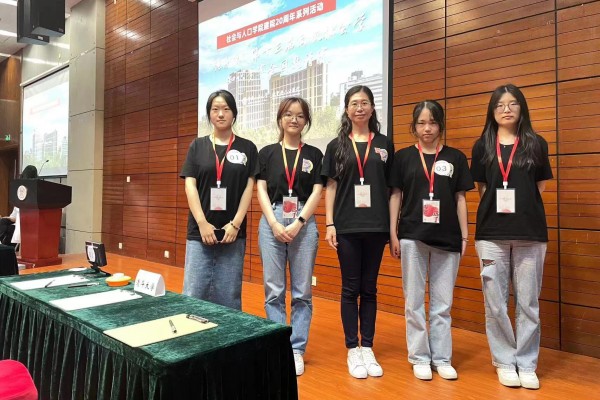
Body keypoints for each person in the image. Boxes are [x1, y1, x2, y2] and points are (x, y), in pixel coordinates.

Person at [470, 84, 552, 390]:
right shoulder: (482, 146)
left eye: (513, 103)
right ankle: (505, 361)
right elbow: (482, 188)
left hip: (530, 233)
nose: (506, 109)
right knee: (496, 303)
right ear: (492, 111)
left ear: (522, 108)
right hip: (491, 234)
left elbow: (539, 186)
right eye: (500, 105)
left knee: (528, 302)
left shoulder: (536, 143)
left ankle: (527, 363)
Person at [389, 100, 474, 381]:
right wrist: (393, 233)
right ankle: (419, 357)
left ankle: (442, 358)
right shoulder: (403, 157)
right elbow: (396, 196)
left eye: (433, 122)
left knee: (442, 304)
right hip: (412, 236)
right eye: (421, 123)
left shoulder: (455, 157)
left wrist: (464, 234)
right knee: (413, 301)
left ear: (440, 125)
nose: (427, 128)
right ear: (414, 126)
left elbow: (460, 198)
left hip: (448, 237)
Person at [322, 85, 395, 379]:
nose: (360, 108)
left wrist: (392, 228)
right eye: (354, 103)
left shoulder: (385, 144)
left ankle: (368, 347)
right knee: (350, 288)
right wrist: (330, 223)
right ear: (347, 110)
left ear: (373, 108)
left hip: (376, 226)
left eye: (365, 103)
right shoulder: (336, 146)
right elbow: (331, 187)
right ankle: (353, 347)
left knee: (370, 288)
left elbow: (392, 189)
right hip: (347, 226)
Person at [257, 97, 323, 376]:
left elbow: (318, 191)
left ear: (306, 121)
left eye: (300, 115)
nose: (294, 119)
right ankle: (278, 348)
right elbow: (260, 189)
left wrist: (299, 222)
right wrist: (273, 223)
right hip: (271, 220)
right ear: (280, 119)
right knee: (273, 290)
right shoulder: (267, 153)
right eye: (288, 114)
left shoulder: (315, 154)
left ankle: (296, 349)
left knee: (302, 292)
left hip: (303, 222)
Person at [180, 90, 258, 310]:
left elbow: (248, 188)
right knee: (194, 293)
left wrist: (236, 224)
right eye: (215, 109)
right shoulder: (197, 146)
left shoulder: (247, 148)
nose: (221, 114)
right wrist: (202, 223)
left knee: (229, 297)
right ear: (209, 114)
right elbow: (190, 185)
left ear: (234, 113)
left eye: (226, 109)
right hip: (199, 232)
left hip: (233, 233)